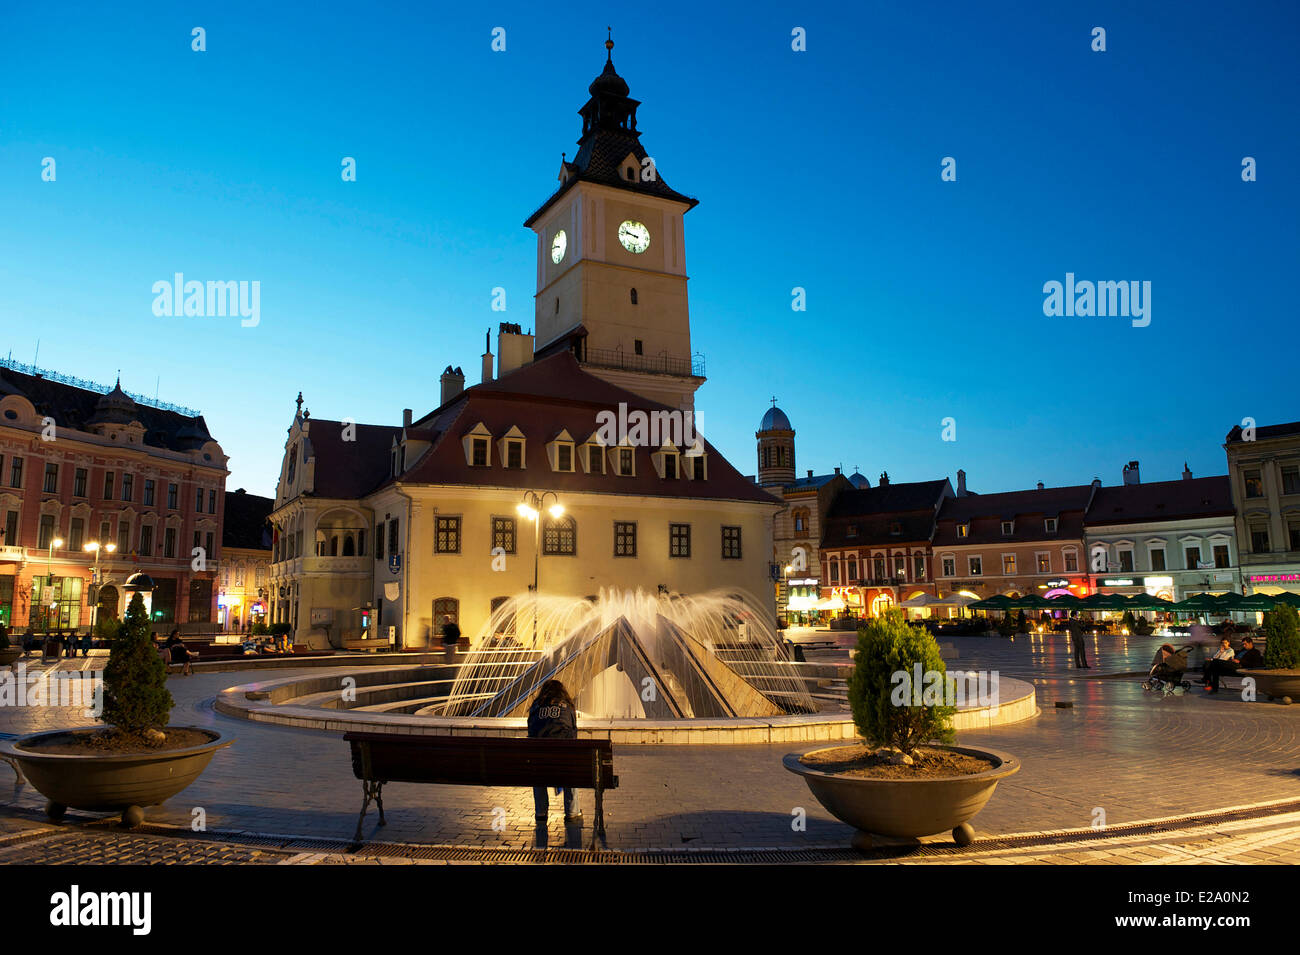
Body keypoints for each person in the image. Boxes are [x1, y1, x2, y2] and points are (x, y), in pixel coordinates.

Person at [527, 679, 581, 825]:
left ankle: (541, 812)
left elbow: (531, 732)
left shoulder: (535, 707)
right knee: (571, 769)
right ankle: (572, 812)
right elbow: (573, 734)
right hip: (563, 762)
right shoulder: (568, 707)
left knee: (537, 772)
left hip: (540, 764)